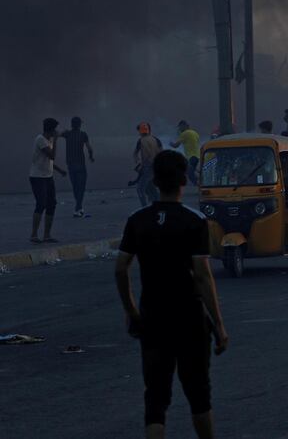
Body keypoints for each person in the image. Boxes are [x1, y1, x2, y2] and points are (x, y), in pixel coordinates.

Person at [115, 150, 228, 439]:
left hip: (152, 317)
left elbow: (121, 269)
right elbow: (202, 275)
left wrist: (132, 312)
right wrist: (219, 324)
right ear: (183, 181)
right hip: (189, 318)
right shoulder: (195, 221)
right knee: (199, 395)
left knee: (155, 401)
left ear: (154, 181)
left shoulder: (137, 220)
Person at [30, 118, 67, 243]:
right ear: (50, 130)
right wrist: (56, 140)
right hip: (37, 177)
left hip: (48, 177)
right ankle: (34, 234)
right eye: (54, 129)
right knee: (41, 204)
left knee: (52, 204)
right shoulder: (40, 139)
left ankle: (47, 235)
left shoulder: (49, 139)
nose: (55, 132)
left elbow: (49, 160)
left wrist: (59, 170)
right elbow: (52, 155)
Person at [61, 116, 95, 217]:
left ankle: (79, 208)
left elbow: (57, 134)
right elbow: (89, 148)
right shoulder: (83, 134)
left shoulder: (67, 134)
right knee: (81, 187)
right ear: (80, 125)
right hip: (80, 164)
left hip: (71, 164)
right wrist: (91, 157)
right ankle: (78, 208)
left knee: (75, 187)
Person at [134, 123, 162, 207]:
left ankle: (144, 208)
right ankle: (158, 206)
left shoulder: (141, 140)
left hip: (148, 167)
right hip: (156, 167)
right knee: (151, 187)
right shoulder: (156, 139)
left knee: (140, 189)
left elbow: (137, 154)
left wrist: (140, 165)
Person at [170, 120, 201, 186]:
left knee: (189, 172)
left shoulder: (185, 134)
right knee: (192, 171)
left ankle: (199, 184)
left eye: (180, 127)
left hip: (191, 156)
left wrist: (170, 143)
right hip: (197, 156)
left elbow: (176, 145)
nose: (179, 129)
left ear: (184, 126)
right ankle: (200, 181)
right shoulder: (195, 133)